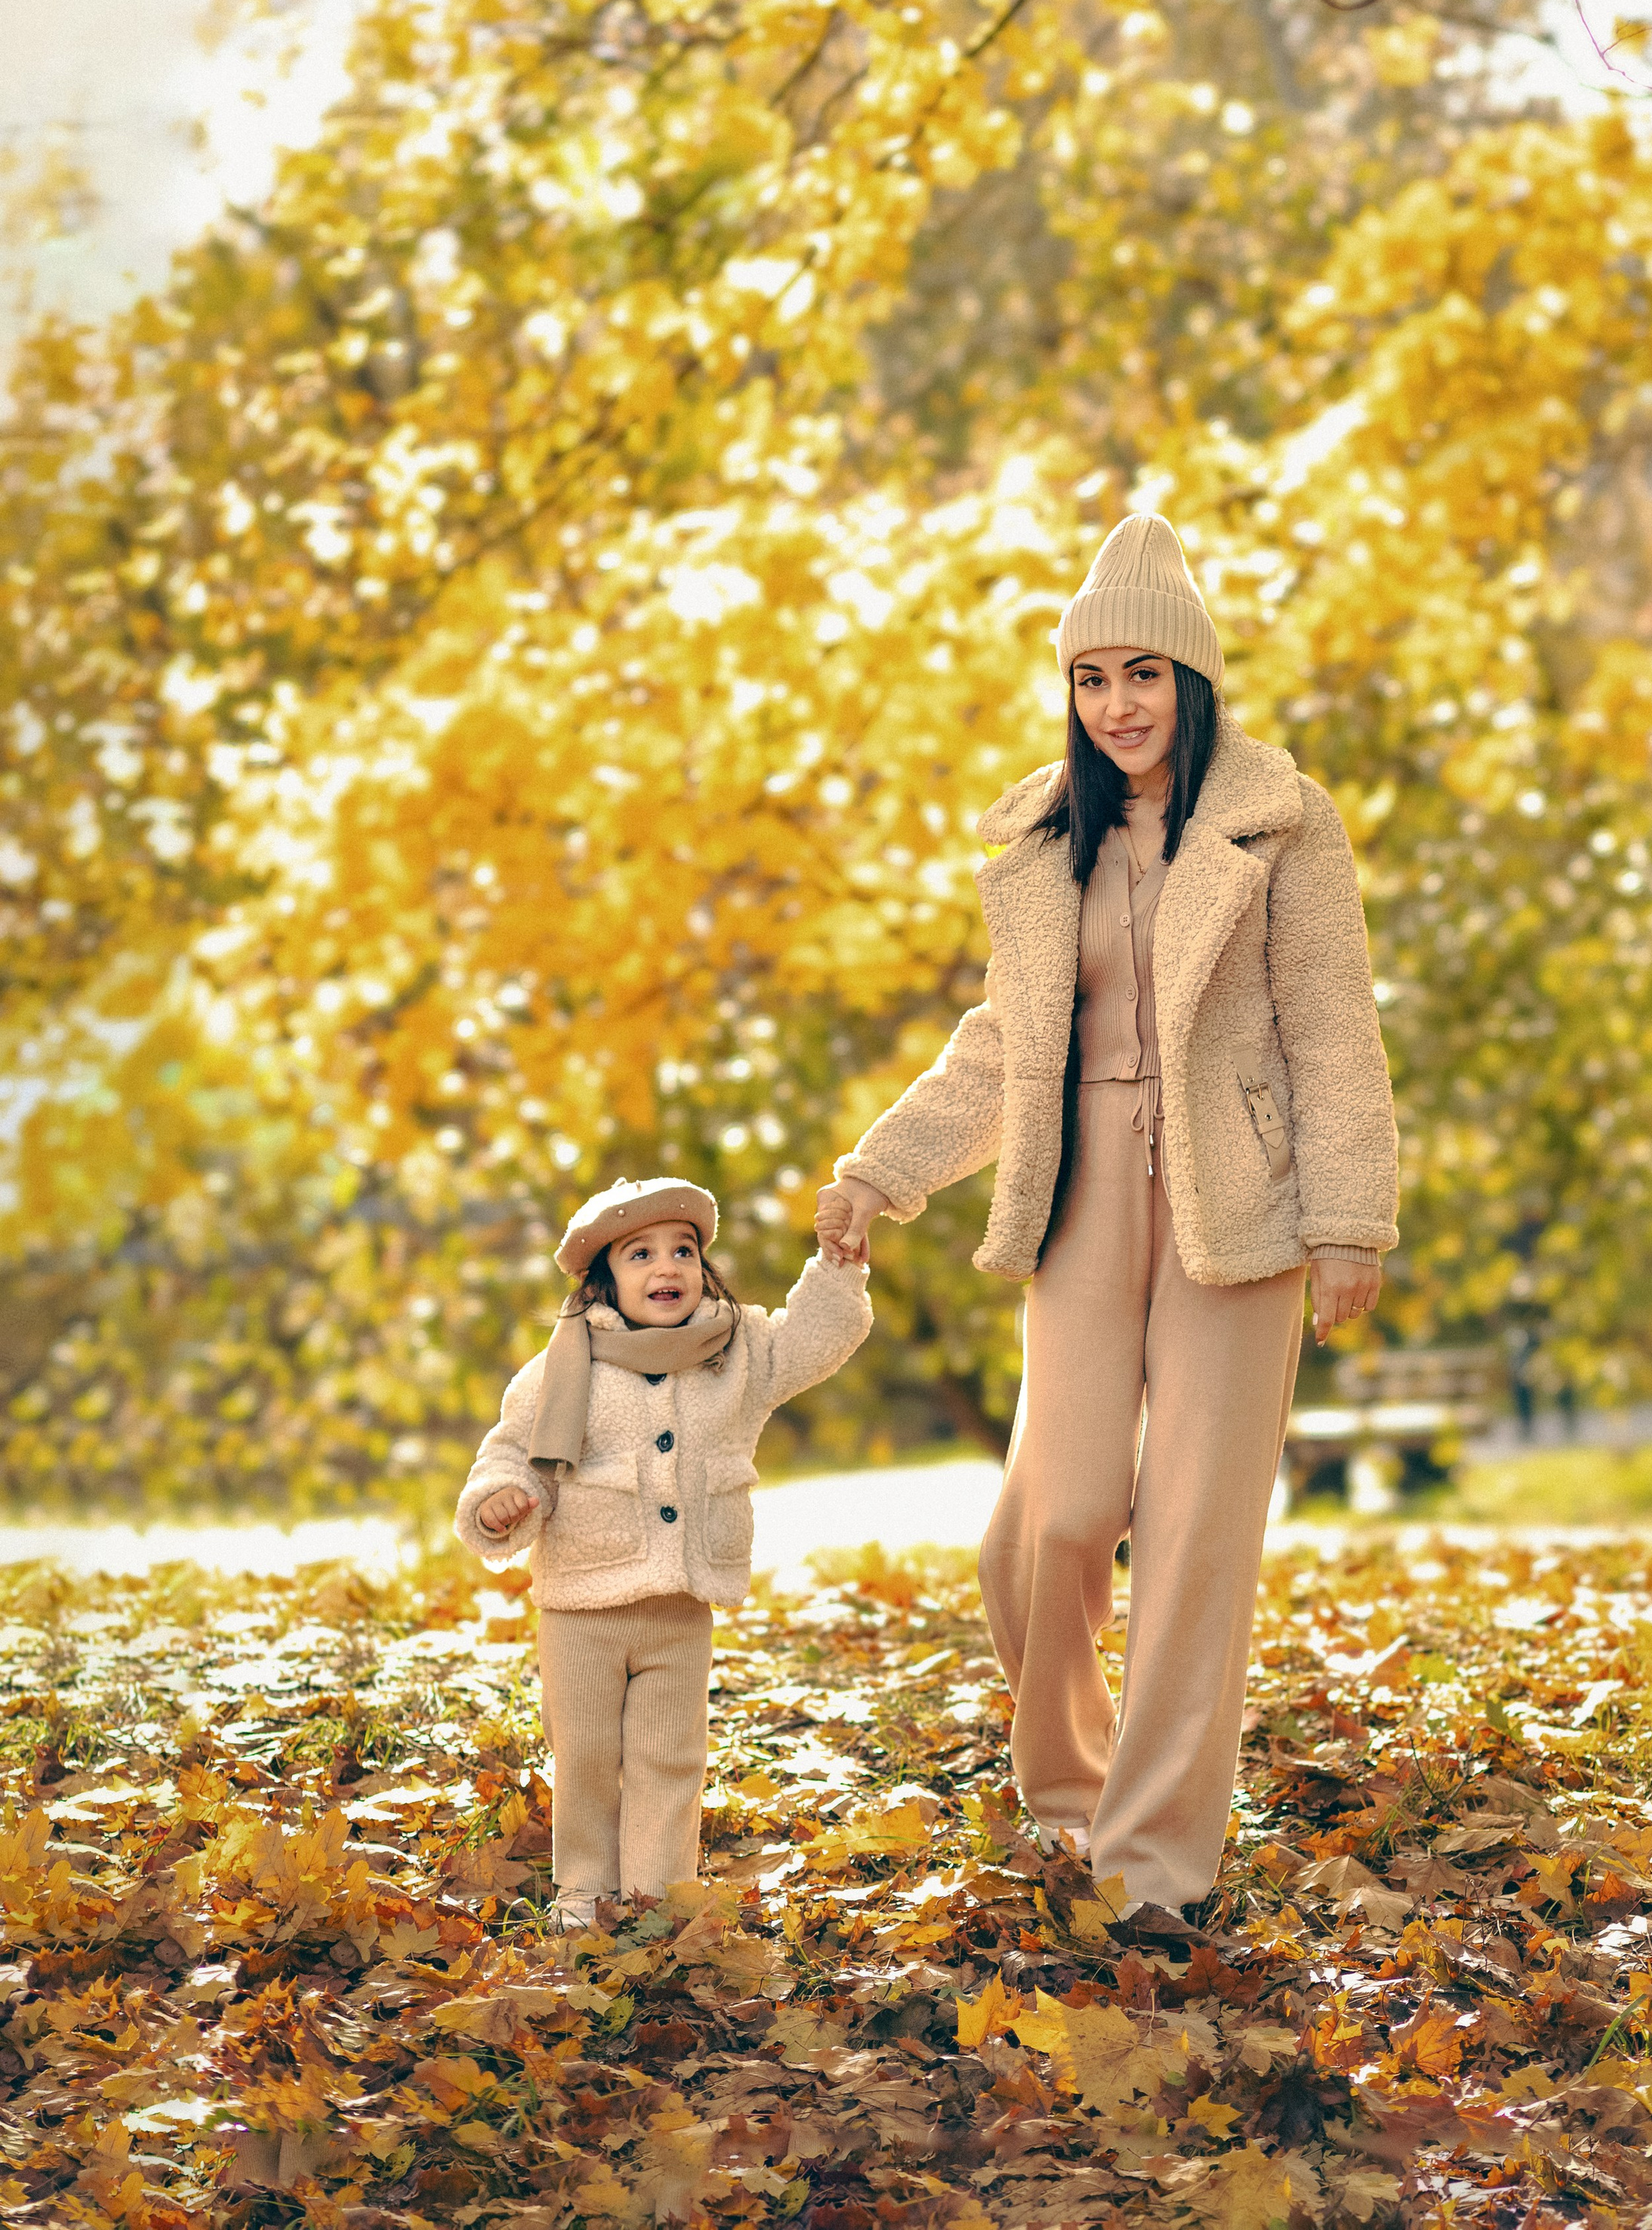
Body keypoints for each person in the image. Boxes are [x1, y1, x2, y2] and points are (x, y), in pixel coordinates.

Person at [815, 514, 1398, 1937]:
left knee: (1197, 1532)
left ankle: (1155, 1866)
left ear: (1191, 680)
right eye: (1093, 679)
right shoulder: (1037, 834)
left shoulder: (1279, 816)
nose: (1118, 705)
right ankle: (1068, 1789)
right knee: (1053, 1520)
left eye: (1144, 673)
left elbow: (1332, 1024)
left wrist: (1349, 1220)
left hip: (1238, 1206)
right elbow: (1002, 1045)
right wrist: (883, 1170)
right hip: (1079, 1196)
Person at [457, 1175, 870, 1928]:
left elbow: (814, 1342)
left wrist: (838, 1267)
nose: (666, 1267)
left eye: (682, 1249)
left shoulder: (736, 1353)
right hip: (582, 1601)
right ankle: (584, 1887)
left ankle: (655, 1894)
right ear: (604, 1280)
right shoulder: (564, 1364)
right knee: (585, 1756)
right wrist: (498, 1501)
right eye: (640, 1253)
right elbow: (512, 1449)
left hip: (679, 1600)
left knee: (669, 1758)